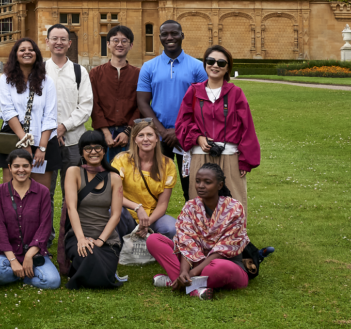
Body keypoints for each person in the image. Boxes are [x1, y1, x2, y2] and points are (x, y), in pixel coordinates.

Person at [175, 45, 260, 217]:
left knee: (233, 204)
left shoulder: (236, 93)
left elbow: (247, 127)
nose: (215, 65)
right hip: (201, 156)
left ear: (228, 67)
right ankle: (201, 242)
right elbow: (183, 121)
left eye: (221, 62)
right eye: (210, 61)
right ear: (205, 64)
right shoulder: (194, 91)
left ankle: (233, 241)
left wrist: (245, 160)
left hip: (229, 156)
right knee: (200, 204)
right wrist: (197, 137)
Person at [146, 163, 250, 300]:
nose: (201, 185)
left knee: (215, 268)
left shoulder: (234, 209)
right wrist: (184, 271)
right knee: (153, 240)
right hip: (195, 261)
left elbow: (224, 249)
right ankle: (189, 284)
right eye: (198, 181)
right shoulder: (191, 207)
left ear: (219, 185)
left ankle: (176, 281)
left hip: (224, 264)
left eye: (207, 182)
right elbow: (186, 242)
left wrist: (193, 272)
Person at [136, 20, 207, 201]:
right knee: (153, 186)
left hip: (188, 136)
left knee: (192, 186)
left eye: (174, 33)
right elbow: (143, 102)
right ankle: (149, 226)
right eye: (165, 34)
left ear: (182, 35)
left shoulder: (197, 67)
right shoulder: (149, 67)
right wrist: (162, 131)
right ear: (159, 37)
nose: (170, 38)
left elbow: (202, 104)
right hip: (158, 137)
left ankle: (196, 226)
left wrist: (180, 131)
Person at [0, 150, 61, 289]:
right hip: (7, 253)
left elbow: (45, 226)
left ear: (31, 167)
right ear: (9, 168)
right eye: (16, 166)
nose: (21, 170)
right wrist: (13, 260)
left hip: (35, 252)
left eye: (25, 166)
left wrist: (29, 256)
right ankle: (26, 273)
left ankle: (18, 276)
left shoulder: (42, 191)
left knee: (52, 282)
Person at [62, 131, 124, 289]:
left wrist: (101, 240)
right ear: (82, 151)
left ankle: (87, 273)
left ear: (104, 150)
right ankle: (94, 273)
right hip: (78, 234)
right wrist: (82, 239)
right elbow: (71, 208)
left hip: (107, 238)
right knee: (89, 254)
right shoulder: (73, 172)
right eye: (88, 148)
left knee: (96, 256)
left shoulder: (114, 178)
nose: (93, 151)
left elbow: (116, 215)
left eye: (97, 147)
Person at [0, 38, 59, 188]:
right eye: (22, 50)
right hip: (14, 139)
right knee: (12, 192)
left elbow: (50, 116)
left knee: (40, 193)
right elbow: (8, 112)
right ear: (15, 55)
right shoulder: (6, 80)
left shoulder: (47, 82)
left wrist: (42, 148)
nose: (27, 52)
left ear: (36, 54)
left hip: (43, 141)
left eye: (30, 49)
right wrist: (25, 142)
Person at [43, 24, 92, 197]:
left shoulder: (80, 72)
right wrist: (51, 130)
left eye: (63, 39)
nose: (59, 42)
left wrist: (64, 127)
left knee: (72, 195)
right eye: (54, 39)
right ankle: (46, 226)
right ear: (47, 42)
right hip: (45, 142)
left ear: (69, 43)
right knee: (44, 194)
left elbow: (86, 106)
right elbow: (33, 107)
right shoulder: (39, 71)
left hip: (73, 142)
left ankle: (69, 226)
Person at [111, 120, 178, 239]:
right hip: (128, 215)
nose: (145, 139)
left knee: (171, 228)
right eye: (141, 135)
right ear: (134, 139)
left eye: (150, 135)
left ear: (157, 138)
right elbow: (114, 194)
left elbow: (163, 204)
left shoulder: (168, 164)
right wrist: (137, 208)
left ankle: (154, 248)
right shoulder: (121, 160)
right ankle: (118, 250)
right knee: (114, 211)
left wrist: (146, 223)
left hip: (152, 217)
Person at [89, 25, 141, 163]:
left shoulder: (138, 74)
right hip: (102, 133)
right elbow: (94, 104)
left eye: (124, 41)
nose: (120, 44)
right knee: (103, 177)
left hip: (130, 133)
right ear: (108, 44)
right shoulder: (95, 73)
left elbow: (141, 104)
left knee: (129, 176)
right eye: (115, 40)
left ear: (131, 45)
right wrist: (106, 132)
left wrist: (128, 132)